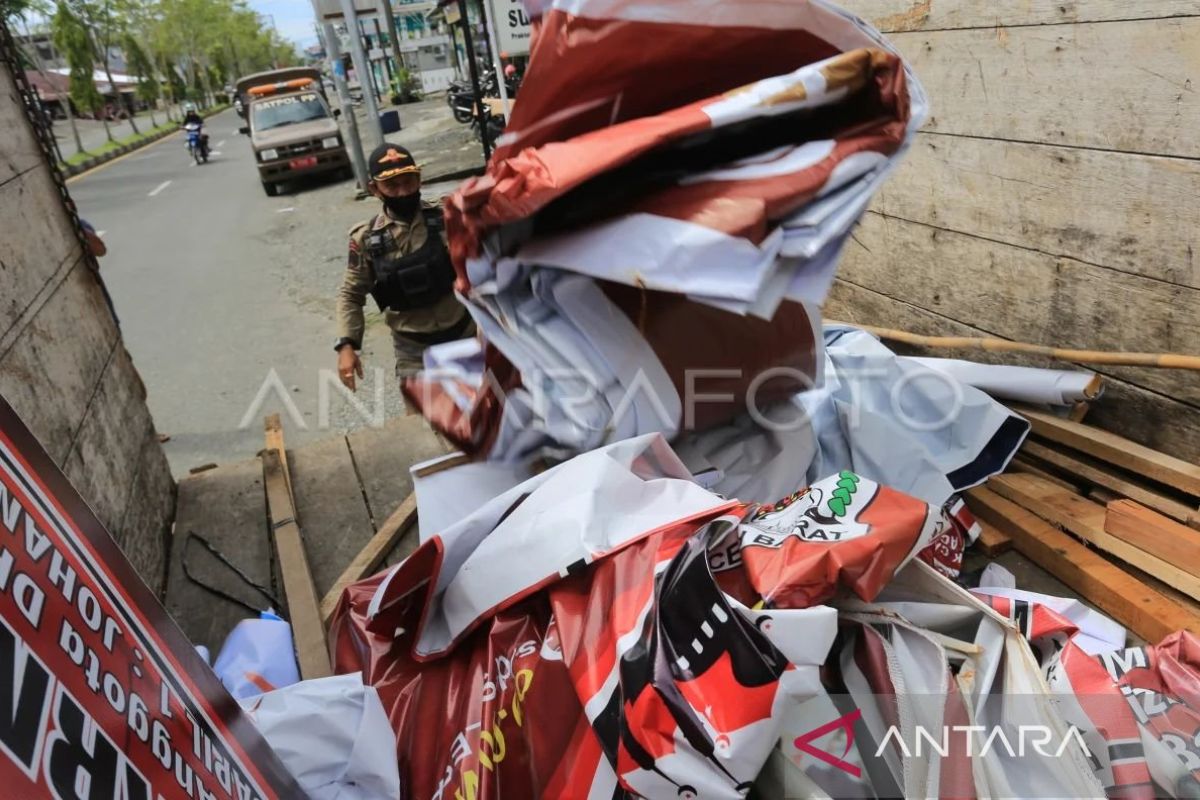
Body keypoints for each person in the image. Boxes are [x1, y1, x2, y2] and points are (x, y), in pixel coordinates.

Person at [335, 143, 473, 393]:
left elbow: (485, 264)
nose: (402, 192)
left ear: (419, 179)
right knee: (421, 428)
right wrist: (347, 344)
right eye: (392, 186)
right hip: (413, 350)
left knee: (488, 417)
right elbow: (350, 295)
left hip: (465, 335)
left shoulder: (447, 218)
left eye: (409, 182)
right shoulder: (366, 239)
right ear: (375, 189)